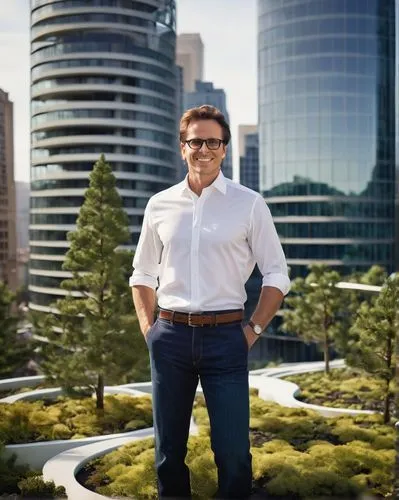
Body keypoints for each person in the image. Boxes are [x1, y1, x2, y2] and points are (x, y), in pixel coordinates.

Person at [130, 105, 290, 499]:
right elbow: (142, 273)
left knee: (234, 452)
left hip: (226, 339)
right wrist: (151, 331)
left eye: (213, 142)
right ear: (182, 147)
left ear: (224, 147)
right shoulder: (160, 204)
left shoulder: (249, 203)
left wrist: (252, 330)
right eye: (196, 141)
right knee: (169, 452)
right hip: (169, 338)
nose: (205, 149)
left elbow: (277, 274)